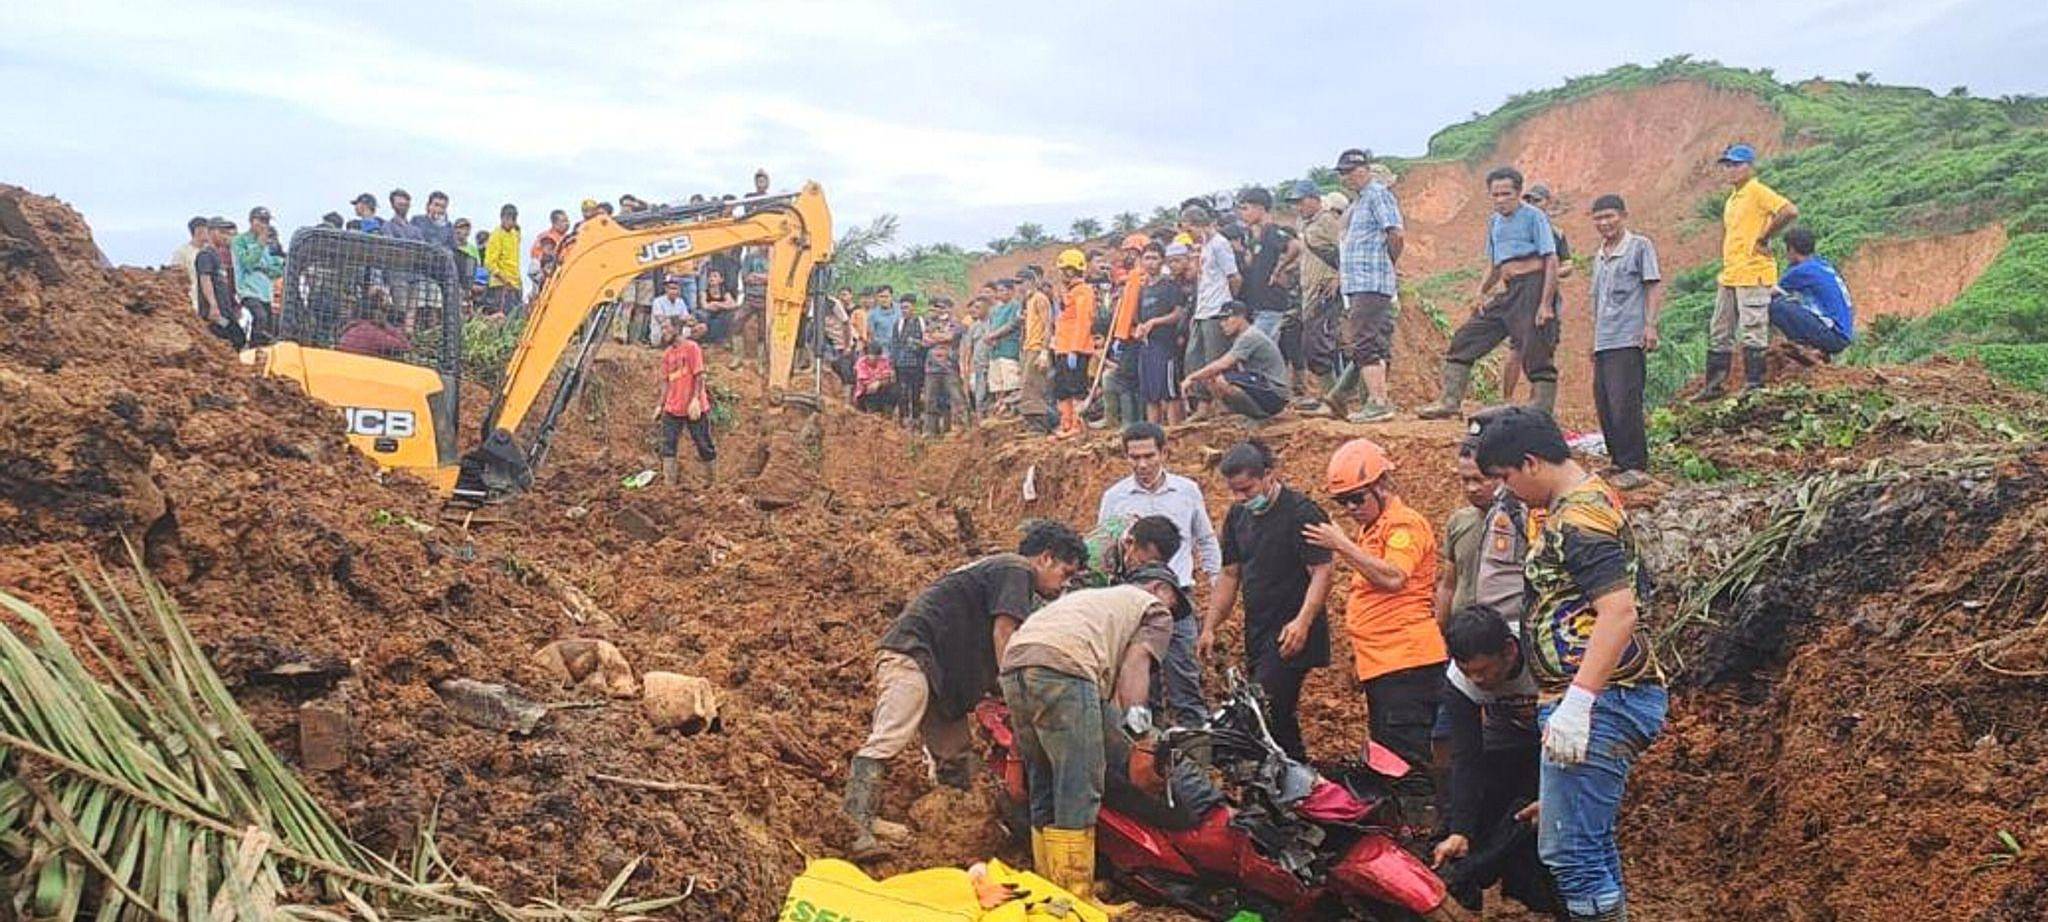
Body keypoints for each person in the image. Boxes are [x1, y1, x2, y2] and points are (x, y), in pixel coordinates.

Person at [1469, 407, 1666, 922]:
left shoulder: (1580, 519)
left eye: (1506, 477)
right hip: (1594, 698)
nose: (1507, 491)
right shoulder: (1575, 505)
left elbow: (1619, 611)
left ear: (1531, 462)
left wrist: (1579, 704)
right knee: (1588, 845)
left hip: (1605, 699)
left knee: (1571, 852)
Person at [844, 521, 1088, 857]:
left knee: (956, 756)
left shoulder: (1000, 573)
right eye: (1065, 573)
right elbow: (1004, 634)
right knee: (890, 735)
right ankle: (854, 822)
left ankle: (955, 830)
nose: (1065, 584)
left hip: (939, 673)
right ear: (1045, 558)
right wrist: (1017, 691)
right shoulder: (1016, 570)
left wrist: (995, 689)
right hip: (913, 654)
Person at [999, 567, 1185, 906]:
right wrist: (1144, 741)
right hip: (1064, 667)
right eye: (1175, 601)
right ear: (1158, 588)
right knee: (1079, 781)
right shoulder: (1154, 610)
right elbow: (1134, 670)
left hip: (1015, 663)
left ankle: (1050, 891)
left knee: (1044, 779)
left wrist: (1016, 753)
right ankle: (1075, 898)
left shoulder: (1094, 604)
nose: (1173, 613)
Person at [1302, 438, 1447, 792]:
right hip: (1384, 665)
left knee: (1408, 764)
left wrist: (1342, 545)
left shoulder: (1404, 525)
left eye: (1357, 498)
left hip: (1407, 664)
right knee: (1389, 758)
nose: (1351, 508)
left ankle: (1424, 819)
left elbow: (1394, 577)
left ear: (1382, 485)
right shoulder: (1373, 529)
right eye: (1343, 502)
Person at [1199, 440, 1335, 761]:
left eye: (1247, 489)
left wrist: (1303, 621)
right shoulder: (1238, 516)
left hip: (1294, 632)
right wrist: (1210, 626)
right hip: (1259, 631)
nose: (1241, 498)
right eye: (1234, 491)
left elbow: (1322, 571)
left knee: (1263, 705)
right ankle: (1298, 775)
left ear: (1269, 475)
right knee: (1277, 717)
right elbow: (1230, 574)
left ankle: (1291, 774)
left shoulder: (1301, 512)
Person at [1430, 607, 1560, 919]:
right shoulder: (1459, 681)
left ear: (1509, 651)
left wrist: (1557, 795)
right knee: (1484, 811)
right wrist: (1461, 830)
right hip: (1505, 738)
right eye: (1468, 671)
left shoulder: (1548, 655)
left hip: (1561, 741)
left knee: (1541, 822)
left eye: (1484, 670)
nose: (1477, 680)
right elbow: (1466, 756)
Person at [1098, 422, 1223, 726]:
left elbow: (1205, 539)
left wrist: (1217, 583)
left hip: (1176, 599)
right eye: (1134, 457)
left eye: (1149, 456)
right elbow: (1104, 549)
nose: (1142, 464)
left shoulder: (1186, 491)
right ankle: (1147, 746)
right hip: (1132, 604)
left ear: (1164, 453)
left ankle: (1195, 743)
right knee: (1140, 681)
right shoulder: (1115, 497)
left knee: (1185, 676)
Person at [1420, 167, 1561, 419]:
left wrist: (1546, 304)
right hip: (1509, 289)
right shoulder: (1495, 222)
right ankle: (1450, 401)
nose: (1500, 200)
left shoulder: (1534, 217)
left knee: (1535, 348)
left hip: (1534, 287)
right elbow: (1495, 264)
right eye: (1495, 195)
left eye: (1506, 194)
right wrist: (1480, 292)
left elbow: (1551, 259)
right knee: (1466, 337)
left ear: (1518, 192)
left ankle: (1541, 409)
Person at [1701, 142, 1799, 399]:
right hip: (1732, 273)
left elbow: (1789, 210)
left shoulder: (1757, 191)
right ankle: (1714, 385)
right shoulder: (1733, 199)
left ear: (1749, 167)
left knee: (1752, 328)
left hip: (1753, 271)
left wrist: (1765, 237)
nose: (1731, 170)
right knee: (1720, 329)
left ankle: (1754, 383)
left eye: (1736, 165)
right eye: (1727, 165)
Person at [1587, 194, 1664, 491]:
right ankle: (1618, 460)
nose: (1604, 223)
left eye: (1609, 216)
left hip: (1627, 337)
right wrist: (1593, 339)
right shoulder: (1599, 255)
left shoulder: (1639, 246)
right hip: (1604, 339)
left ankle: (1635, 465)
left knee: (1625, 402)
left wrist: (1650, 325)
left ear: (1623, 216)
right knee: (1605, 402)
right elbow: (1597, 301)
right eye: (1598, 218)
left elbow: (1652, 286)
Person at [1332, 148, 1405, 423]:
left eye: (1350, 171)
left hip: (1370, 280)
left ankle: (1378, 402)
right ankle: (1378, 400)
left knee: (1362, 342)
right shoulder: (1361, 201)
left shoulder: (1376, 194)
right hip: (1361, 282)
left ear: (1364, 169)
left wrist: (1388, 262)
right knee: (1370, 341)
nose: (1346, 177)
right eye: (1342, 173)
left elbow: (1396, 233)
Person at [1498, 184, 1575, 404]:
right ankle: (1506, 400)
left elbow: (1568, 264)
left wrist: (1550, 273)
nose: (1532, 205)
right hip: (1520, 298)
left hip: (1548, 298)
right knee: (1517, 348)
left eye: (1537, 200)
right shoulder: (1518, 231)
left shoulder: (1556, 233)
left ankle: (1537, 403)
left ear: (1548, 202)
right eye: (1529, 200)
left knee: (1544, 349)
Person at [1287, 182, 1346, 413]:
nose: (1298, 207)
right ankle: (1328, 395)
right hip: (1309, 290)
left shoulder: (1328, 221)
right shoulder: (1303, 223)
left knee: (1318, 344)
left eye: (1300, 202)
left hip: (1325, 290)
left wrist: (1339, 277)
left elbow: (1345, 249)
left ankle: (1332, 398)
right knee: (1313, 344)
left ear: (1314, 199)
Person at [1181, 300, 1290, 421]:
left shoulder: (1250, 336)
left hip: (1274, 392)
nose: (1222, 324)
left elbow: (1223, 364)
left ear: (1241, 317)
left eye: (1226, 319)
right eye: (1221, 320)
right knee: (1212, 379)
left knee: (1221, 379)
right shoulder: (1242, 336)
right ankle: (1243, 414)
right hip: (1265, 387)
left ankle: (1259, 417)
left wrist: (1191, 377)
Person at [1182, 206, 1240, 414]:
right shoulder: (1205, 246)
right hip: (1203, 310)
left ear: (1199, 225)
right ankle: (1204, 406)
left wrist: (1229, 305)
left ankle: (1224, 405)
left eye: (1189, 230)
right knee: (1193, 359)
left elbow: (1234, 277)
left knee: (1215, 360)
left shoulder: (1219, 244)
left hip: (1217, 310)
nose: (1189, 235)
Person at [1435, 444, 1501, 624]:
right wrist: (1441, 628)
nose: (1471, 488)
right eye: (1465, 480)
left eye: (1479, 480)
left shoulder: (1521, 525)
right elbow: (1448, 585)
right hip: (1462, 629)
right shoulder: (1459, 522)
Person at [1770, 226, 1855, 359]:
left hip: (1833, 335)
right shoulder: (1821, 264)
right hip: (1842, 333)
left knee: (1776, 306)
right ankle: (1815, 349)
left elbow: (1770, 294)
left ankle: (1804, 348)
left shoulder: (1801, 270)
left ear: (1791, 249)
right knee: (1791, 303)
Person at [1133, 242, 1192, 424]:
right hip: (1147, 346)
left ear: (1162, 261)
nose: (1150, 262)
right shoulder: (1143, 289)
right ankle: (1154, 431)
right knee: (1151, 394)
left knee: (1170, 392)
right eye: (1147, 258)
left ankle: (1175, 431)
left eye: (1154, 258)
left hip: (1166, 345)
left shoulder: (1169, 286)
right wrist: (1139, 327)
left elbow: (1178, 313)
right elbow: (1138, 317)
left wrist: (1155, 322)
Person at [655, 318, 717, 486]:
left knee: (703, 444)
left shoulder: (692, 348)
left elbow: (699, 375)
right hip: (673, 407)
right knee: (668, 445)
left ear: (677, 328)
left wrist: (695, 399)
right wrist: (660, 405)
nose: (664, 332)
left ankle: (711, 484)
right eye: (662, 328)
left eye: (666, 328)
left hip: (693, 408)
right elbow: (665, 382)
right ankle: (669, 484)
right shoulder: (667, 354)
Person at [1233, 187, 1295, 340]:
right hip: (1259, 307)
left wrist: (1279, 269)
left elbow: (1295, 246)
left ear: (1259, 208)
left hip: (1271, 306)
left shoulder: (1271, 231)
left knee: (1255, 346)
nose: (1243, 214)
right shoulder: (1257, 237)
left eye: (1246, 208)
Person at [1050, 248, 1097, 438]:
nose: (1061, 274)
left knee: (1076, 388)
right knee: (1061, 388)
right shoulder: (1070, 292)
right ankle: (1066, 424)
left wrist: (1076, 349)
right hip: (1063, 348)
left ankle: (1078, 425)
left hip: (1076, 348)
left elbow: (1084, 322)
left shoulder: (1084, 291)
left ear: (1071, 270)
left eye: (1063, 270)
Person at [232, 207, 286, 344]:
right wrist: (260, 244)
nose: (263, 225)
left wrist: (264, 267)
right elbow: (248, 263)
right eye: (260, 220)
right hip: (248, 290)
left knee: (269, 326)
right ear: (251, 221)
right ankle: (253, 349)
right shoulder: (240, 240)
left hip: (266, 292)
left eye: (266, 221)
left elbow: (277, 269)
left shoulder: (269, 245)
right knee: (259, 317)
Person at [192, 219, 242, 348]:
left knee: (237, 338)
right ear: (212, 232)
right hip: (215, 315)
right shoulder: (205, 255)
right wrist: (213, 306)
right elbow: (205, 280)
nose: (226, 237)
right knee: (232, 338)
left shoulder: (218, 257)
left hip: (225, 312)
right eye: (223, 232)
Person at [922, 298, 968, 435]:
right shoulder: (931, 324)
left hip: (950, 366)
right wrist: (939, 337)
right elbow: (926, 340)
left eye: (944, 307)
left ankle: (961, 428)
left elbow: (950, 337)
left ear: (950, 308)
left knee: (956, 398)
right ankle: (930, 430)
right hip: (932, 367)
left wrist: (936, 337)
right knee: (930, 399)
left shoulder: (957, 324)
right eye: (939, 307)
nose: (941, 310)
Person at [1019, 267, 1056, 432]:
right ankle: (1035, 424)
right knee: (1027, 387)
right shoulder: (1029, 301)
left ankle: (1041, 427)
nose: (1019, 286)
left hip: (1037, 347)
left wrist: (1044, 352)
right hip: (1029, 347)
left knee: (1033, 388)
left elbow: (1048, 326)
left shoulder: (1040, 298)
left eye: (1021, 282)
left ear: (1031, 282)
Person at [984, 277, 1024, 416]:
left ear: (1011, 291)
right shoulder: (994, 310)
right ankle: (1000, 405)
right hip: (995, 350)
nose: (999, 293)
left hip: (1008, 348)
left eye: (1002, 290)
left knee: (1011, 381)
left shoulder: (1015, 306)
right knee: (997, 382)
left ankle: (1011, 409)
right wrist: (989, 337)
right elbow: (990, 326)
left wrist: (994, 335)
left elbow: (1012, 324)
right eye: (998, 290)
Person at [895, 294, 929, 427]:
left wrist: (915, 343)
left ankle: (916, 418)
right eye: (902, 308)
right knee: (902, 392)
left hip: (917, 364)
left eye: (906, 307)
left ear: (913, 307)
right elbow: (894, 344)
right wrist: (893, 363)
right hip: (901, 364)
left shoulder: (921, 322)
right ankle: (903, 418)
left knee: (916, 392)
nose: (904, 311)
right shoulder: (898, 324)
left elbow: (926, 342)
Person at [483, 204, 522, 316]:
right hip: (500, 285)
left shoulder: (515, 234)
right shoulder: (496, 235)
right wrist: (504, 280)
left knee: (515, 318)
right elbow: (489, 263)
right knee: (501, 318)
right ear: (502, 218)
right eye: (508, 218)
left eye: (513, 219)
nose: (510, 222)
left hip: (515, 283)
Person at [337, 301, 413, 358]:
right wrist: (386, 325)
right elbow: (405, 346)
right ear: (376, 314)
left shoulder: (349, 330)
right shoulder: (374, 333)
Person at [173, 216, 210, 316]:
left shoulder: (211, 252)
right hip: (193, 298)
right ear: (198, 231)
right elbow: (176, 276)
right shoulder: (182, 252)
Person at [853, 343, 899, 414]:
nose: (873, 358)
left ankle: (888, 410)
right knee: (871, 390)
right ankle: (870, 411)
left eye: (875, 356)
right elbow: (864, 381)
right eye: (871, 355)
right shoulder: (861, 363)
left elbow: (888, 377)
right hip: (865, 392)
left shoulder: (884, 361)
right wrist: (877, 381)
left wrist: (879, 383)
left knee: (894, 389)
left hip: (880, 388)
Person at [651, 276, 695, 347]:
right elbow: (662, 320)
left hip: (678, 331)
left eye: (676, 289)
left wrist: (690, 321)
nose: (674, 291)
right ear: (666, 289)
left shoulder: (680, 301)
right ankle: (671, 346)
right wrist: (678, 319)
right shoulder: (658, 301)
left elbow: (687, 318)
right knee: (667, 327)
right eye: (671, 288)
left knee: (701, 327)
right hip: (661, 334)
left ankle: (685, 345)